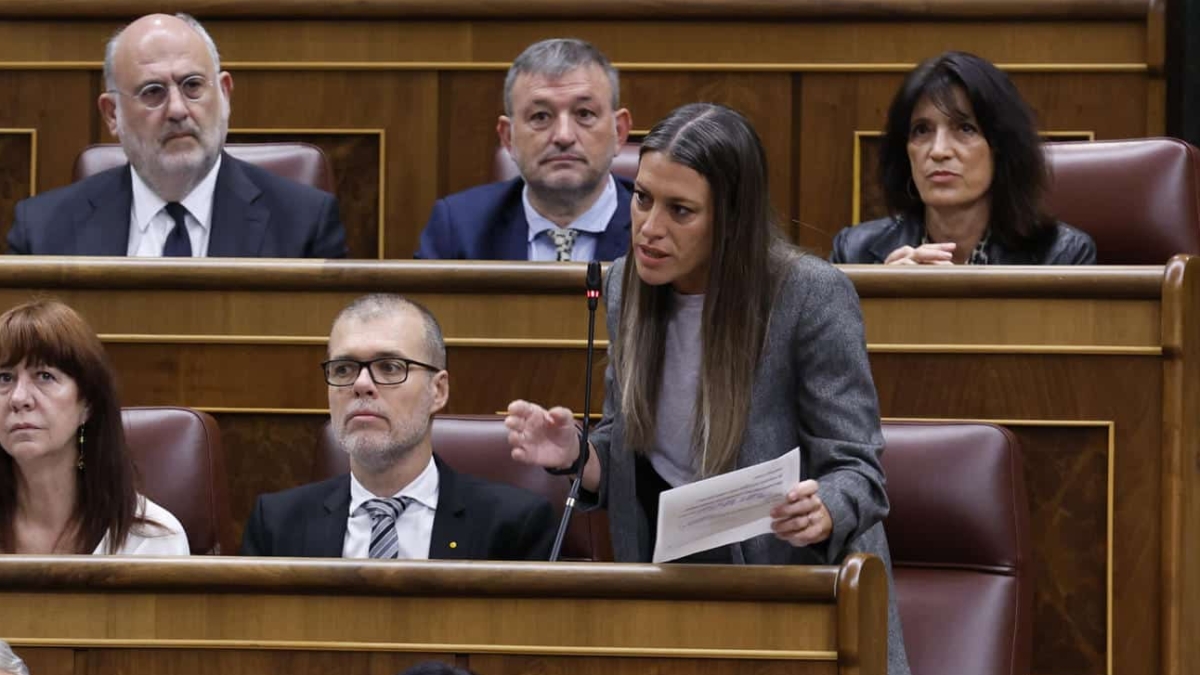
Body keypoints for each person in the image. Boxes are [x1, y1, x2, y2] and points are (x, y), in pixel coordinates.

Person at [506, 103, 910, 674]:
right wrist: (579, 454)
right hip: (670, 573)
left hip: (795, 584)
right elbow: (630, 442)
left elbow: (859, 468)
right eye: (643, 198)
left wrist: (826, 508)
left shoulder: (809, 296)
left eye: (681, 211)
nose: (649, 227)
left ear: (731, 219)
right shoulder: (625, 286)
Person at [240, 294, 555, 560]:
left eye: (390, 367)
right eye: (344, 368)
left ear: (438, 391)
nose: (362, 384)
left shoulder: (512, 526)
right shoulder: (277, 525)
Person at [6, 13, 347, 259]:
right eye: (153, 91)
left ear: (224, 94)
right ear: (113, 114)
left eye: (193, 86)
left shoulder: (304, 224)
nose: (178, 110)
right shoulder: (43, 231)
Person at [830, 51, 1095, 265]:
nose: (938, 151)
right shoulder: (854, 252)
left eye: (965, 129)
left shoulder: (1062, 256)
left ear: (1000, 146)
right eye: (921, 130)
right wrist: (884, 303)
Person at [415, 38, 633, 261]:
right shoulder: (458, 229)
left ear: (619, 131)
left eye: (584, 114)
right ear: (508, 137)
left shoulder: (656, 228)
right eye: (540, 116)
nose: (564, 136)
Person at [0, 299, 189, 555]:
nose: (19, 398)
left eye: (45, 376)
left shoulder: (150, 540)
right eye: (5, 378)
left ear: (87, 403)